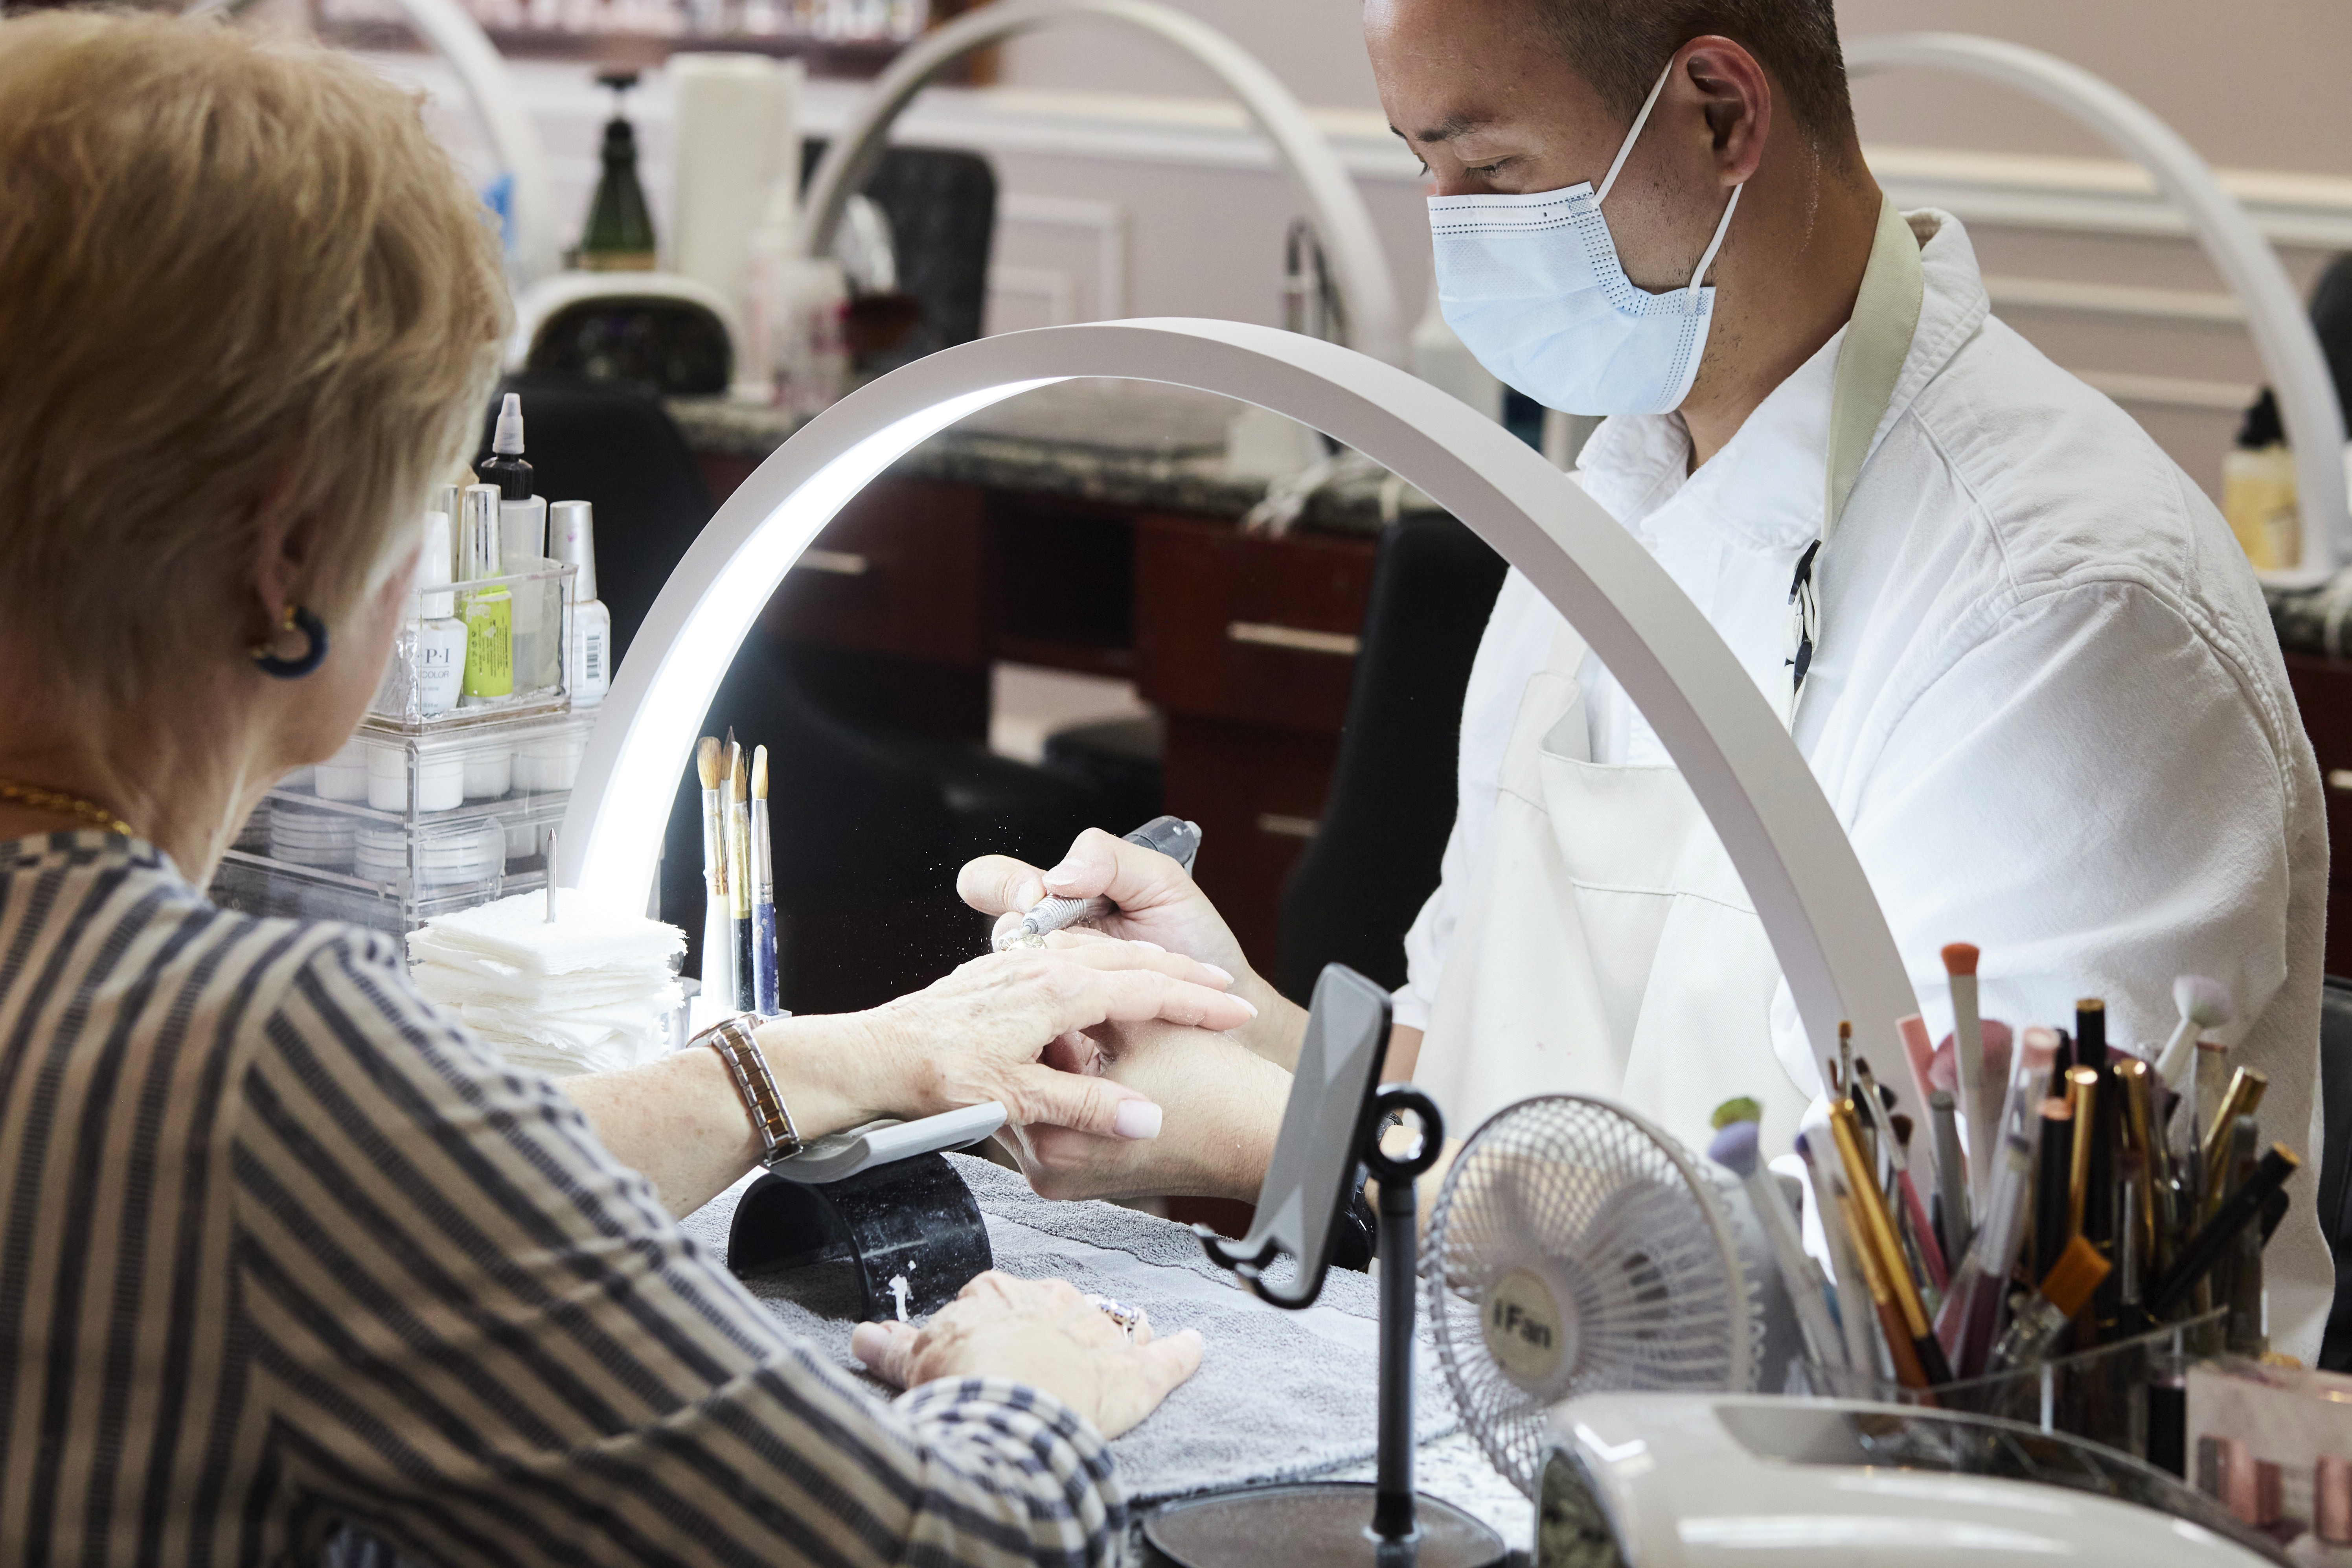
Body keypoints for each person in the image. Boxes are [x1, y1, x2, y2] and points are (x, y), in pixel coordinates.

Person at [0, 13, 1250, 1563]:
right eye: (432, 491)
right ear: (292, 557)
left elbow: (418, 1192)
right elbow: (936, 1543)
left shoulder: (201, 1065)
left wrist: (833, 1059)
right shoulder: (248, 1064)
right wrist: (1029, 1383)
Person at [963, 0, 2330, 1360]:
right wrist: (1231, 1024)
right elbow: (1469, 1063)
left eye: (1491, 169)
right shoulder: (1609, 509)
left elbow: (1928, 1296)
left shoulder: (2066, 611)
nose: (1449, 228)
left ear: (1720, 114)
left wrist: (1276, 1139)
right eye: (1421, 165)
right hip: (1538, 1417)